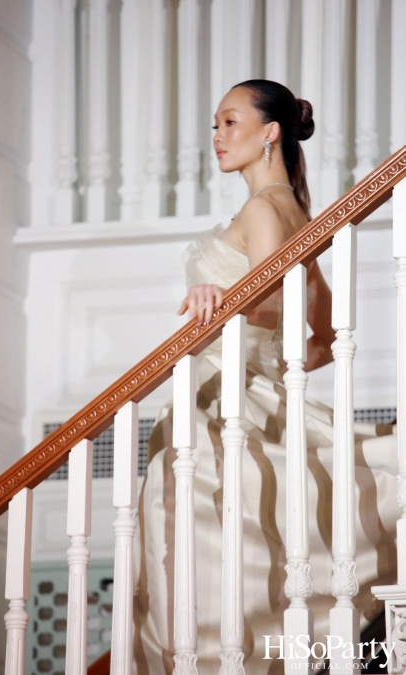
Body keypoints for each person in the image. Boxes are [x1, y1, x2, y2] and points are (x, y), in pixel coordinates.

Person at [132, 80, 398, 675]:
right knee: (234, 535)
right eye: (216, 126)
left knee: (200, 538)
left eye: (230, 122)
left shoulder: (263, 207)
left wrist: (221, 298)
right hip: (238, 384)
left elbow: (276, 302)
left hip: (223, 394)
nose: (218, 138)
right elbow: (322, 326)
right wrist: (274, 357)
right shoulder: (292, 209)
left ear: (270, 131)